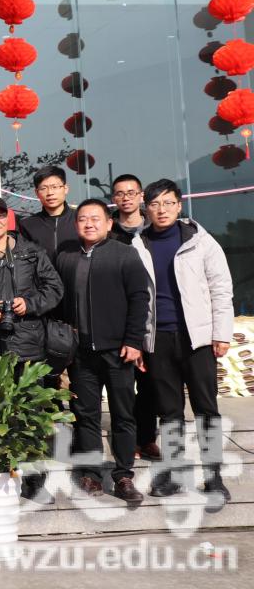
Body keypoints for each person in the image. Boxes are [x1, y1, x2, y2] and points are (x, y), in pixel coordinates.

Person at [137, 180, 233, 505]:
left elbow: (221, 288)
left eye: (168, 203)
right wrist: (140, 341)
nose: (161, 210)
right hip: (159, 338)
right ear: (146, 209)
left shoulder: (201, 241)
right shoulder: (138, 245)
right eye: (155, 204)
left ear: (179, 205)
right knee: (169, 411)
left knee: (206, 408)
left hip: (198, 338)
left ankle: (214, 477)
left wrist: (221, 333)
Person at [55, 199, 150, 505]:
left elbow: (140, 299)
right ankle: (91, 473)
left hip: (118, 350)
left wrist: (133, 341)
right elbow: (59, 300)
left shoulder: (125, 254)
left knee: (123, 414)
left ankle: (123, 475)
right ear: (76, 224)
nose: (89, 224)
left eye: (96, 218)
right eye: (83, 219)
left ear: (109, 223)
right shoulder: (66, 255)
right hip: (81, 353)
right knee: (86, 415)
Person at [0, 196, 64, 502]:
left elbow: (55, 289)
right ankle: (0, 477)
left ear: (8, 219)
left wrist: (30, 304)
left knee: (32, 415)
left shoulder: (31, 252)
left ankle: (36, 481)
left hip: (29, 344)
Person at [108, 174, 159, 462]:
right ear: (113, 199)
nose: (125, 198)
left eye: (131, 192)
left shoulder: (155, 229)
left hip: (155, 319)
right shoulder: (109, 231)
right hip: (120, 320)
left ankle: (147, 437)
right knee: (125, 387)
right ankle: (128, 442)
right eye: (120, 193)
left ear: (141, 196)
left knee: (151, 383)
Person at [19, 165, 78, 265]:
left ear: (65, 188)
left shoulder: (80, 220)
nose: (50, 193)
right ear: (37, 193)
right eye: (44, 188)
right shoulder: (27, 225)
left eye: (55, 187)